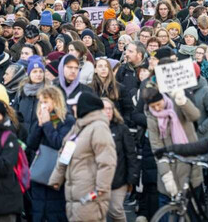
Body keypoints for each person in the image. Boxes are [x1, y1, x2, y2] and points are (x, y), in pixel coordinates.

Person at [49, 91, 117, 222]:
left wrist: (101, 189)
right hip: (75, 194)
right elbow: (65, 153)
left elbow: (107, 161)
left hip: (90, 195)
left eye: (75, 105)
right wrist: (56, 178)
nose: (73, 108)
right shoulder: (78, 127)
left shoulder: (98, 127)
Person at [142, 87, 203, 206]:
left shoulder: (176, 105)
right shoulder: (151, 117)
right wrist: (166, 176)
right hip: (170, 171)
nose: (157, 108)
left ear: (163, 99)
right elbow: (157, 147)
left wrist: (183, 101)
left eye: (158, 104)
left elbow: (195, 116)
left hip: (190, 168)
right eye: (153, 106)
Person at [27, 86, 75, 222]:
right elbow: (31, 144)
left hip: (57, 174)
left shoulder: (67, 121)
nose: (43, 106)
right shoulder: (41, 120)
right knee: (38, 211)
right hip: (40, 172)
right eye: (41, 102)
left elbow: (59, 144)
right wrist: (40, 125)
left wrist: (48, 124)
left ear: (56, 101)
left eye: (46, 102)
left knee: (55, 212)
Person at [102, 98, 139, 222]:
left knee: (115, 210)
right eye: (104, 109)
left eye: (109, 108)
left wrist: (132, 179)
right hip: (98, 180)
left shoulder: (121, 129)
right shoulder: (92, 129)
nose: (107, 111)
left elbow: (131, 154)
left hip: (119, 179)